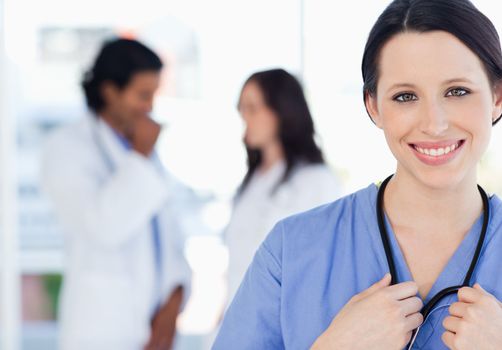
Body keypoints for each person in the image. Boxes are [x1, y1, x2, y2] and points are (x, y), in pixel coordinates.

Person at [213, 0, 502, 349]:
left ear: (497, 97)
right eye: (405, 96)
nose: (434, 124)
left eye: (457, 91)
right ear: (373, 106)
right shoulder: (291, 251)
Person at [41, 38, 191, 350]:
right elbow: (102, 227)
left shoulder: (146, 155)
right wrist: (139, 156)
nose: (150, 107)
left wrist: (174, 300)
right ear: (110, 92)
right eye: (142, 95)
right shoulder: (67, 148)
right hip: (101, 333)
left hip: (155, 332)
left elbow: (170, 238)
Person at [224, 68, 340, 303]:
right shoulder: (253, 179)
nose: (245, 117)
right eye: (242, 109)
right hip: (237, 316)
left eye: (253, 108)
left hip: (281, 324)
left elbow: (319, 271)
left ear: (281, 111)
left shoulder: (316, 181)